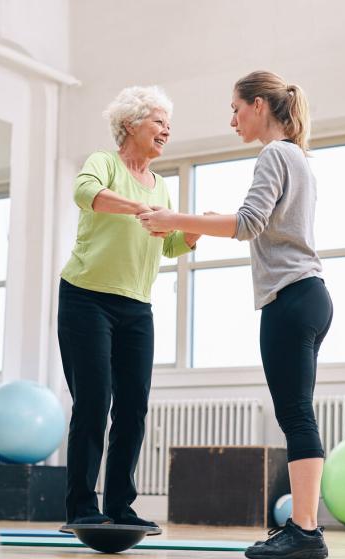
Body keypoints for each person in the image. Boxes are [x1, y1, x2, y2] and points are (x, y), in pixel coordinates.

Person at [139, 70, 333, 559]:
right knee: (298, 412)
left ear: (260, 106)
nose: (232, 120)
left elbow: (248, 224)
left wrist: (174, 219)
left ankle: (306, 531)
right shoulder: (299, 158)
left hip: (291, 297)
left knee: (294, 414)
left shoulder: (274, 153)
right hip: (309, 294)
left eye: (236, 108)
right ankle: (306, 529)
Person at [58, 86, 199, 527]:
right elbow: (86, 194)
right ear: (130, 125)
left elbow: (170, 244)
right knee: (94, 402)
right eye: (158, 121)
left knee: (133, 406)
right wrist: (141, 207)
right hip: (86, 298)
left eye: (167, 123)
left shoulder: (163, 186)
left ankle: (120, 506)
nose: (166, 129)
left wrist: (193, 231)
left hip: (137, 307)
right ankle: (82, 507)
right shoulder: (105, 163)